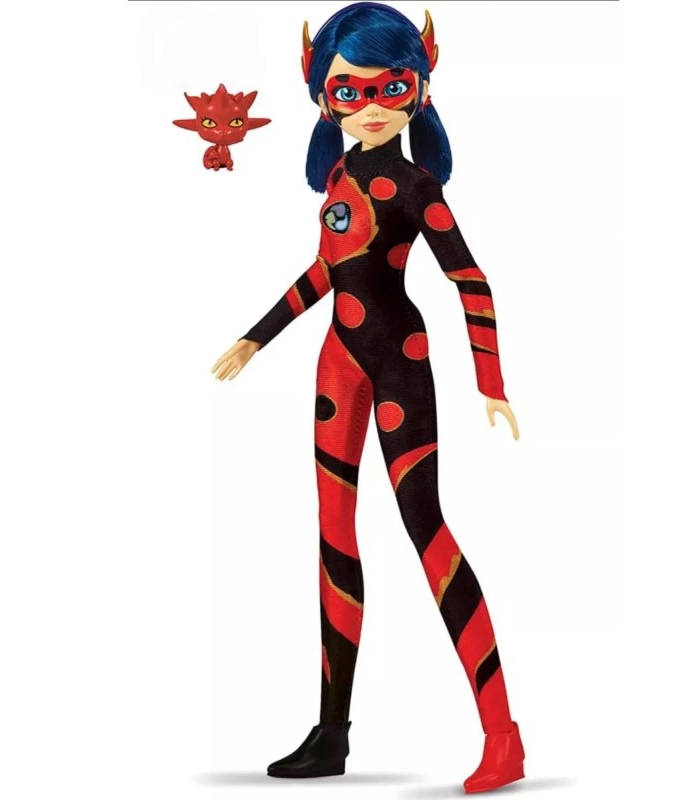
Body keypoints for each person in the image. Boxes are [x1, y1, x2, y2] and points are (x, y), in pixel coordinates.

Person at [211, 3, 525, 793]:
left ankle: (504, 738)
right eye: (351, 92)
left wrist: (490, 383)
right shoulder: (340, 181)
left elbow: (471, 281)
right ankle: (331, 734)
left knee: (428, 532)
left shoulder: (418, 187)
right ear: (325, 99)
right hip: (337, 367)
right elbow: (329, 270)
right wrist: (255, 337)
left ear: (420, 91)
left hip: (398, 367)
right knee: (333, 540)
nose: (372, 106)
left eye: (391, 87)